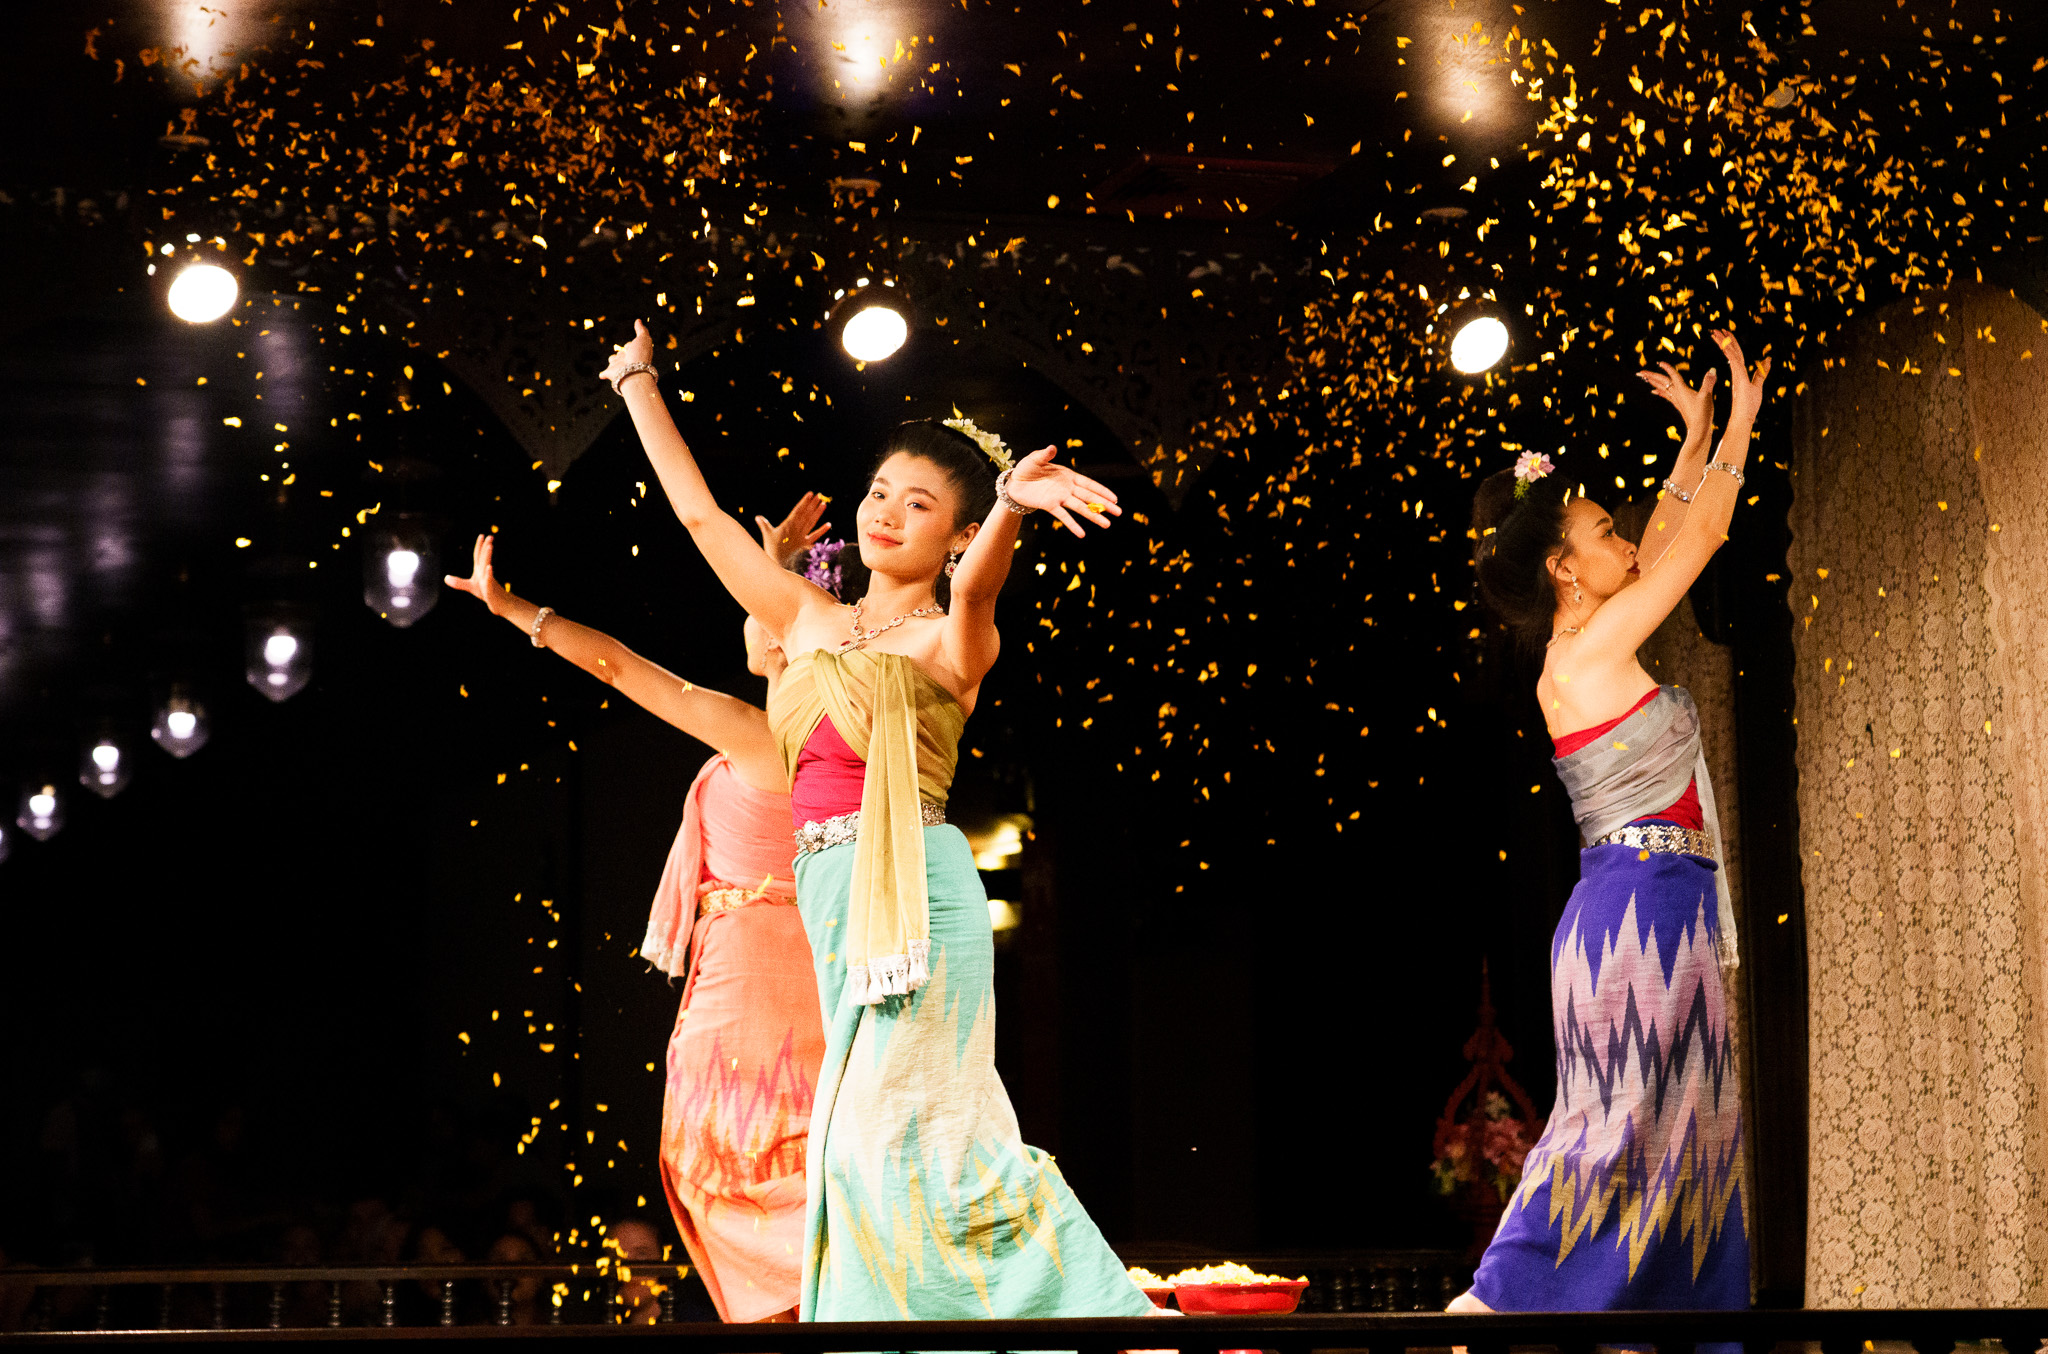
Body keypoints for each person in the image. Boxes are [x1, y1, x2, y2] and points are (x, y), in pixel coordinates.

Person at [599, 318, 1156, 1323]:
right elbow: (699, 521)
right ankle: (917, 1331)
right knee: (859, 1150)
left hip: (920, 907)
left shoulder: (950, 640)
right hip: (832, 902)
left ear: (949, 531)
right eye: (879, 493)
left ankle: (1086, 1316)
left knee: (897, 1138)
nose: (888, 513)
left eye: (920, 504)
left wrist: (1006, 511)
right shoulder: (804, 618)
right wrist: (637, 383)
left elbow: (982, 585)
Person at [444, 498, 841, 1324]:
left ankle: (797, 1316)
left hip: (758, 990)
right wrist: (776, 572)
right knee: (791, 1167)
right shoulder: (843, 740)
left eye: (756, 604)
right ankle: (815, 1311)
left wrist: (513, 608)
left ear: (782, 633)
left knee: (726, 1160)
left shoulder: (759, 732)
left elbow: (621, 668)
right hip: (802, 973)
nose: (748, 616)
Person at [1453, 331, 1769, 1316]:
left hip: (1646, 904)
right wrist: (1743, 422)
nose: (1624, 540)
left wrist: (1695, 433)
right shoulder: (1585, 653)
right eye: (1601, 530)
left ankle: (1670, 1324)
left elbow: (1669, 536)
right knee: (1625, 1122)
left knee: (1683, 1126)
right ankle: (1501, 1295)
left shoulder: (1588, 636)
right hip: (1638, 911)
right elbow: (1699, 542)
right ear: (1562, 566)